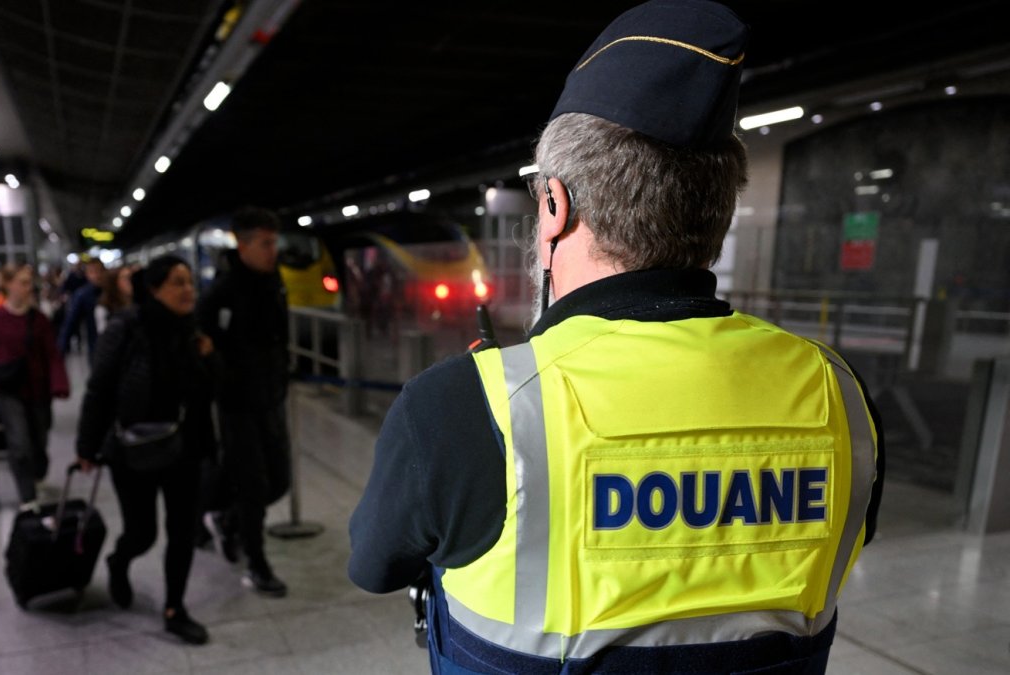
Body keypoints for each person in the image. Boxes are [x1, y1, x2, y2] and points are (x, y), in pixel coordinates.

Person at [347, 2, 885, 673]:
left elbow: (373, 563)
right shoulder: (837, 393)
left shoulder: (464, 407)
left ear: (555, 206)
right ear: (718, 212)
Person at [75, 256, 216, 645]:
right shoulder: (126, 328)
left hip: (184, 447)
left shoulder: (193, 332)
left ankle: (175, 608)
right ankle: (119, 562)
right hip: (131, 450)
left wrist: (208, 358)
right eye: (176, 282)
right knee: (142, 533)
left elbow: (208, 393)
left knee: (182, 532)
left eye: (189, 281)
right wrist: (87, 445)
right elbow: (100, 388)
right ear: (154, 290)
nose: (188, 289)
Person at [195, 206, 290, 598]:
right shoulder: (223, 290)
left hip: (270, 397)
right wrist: (221, 371)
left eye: (274, 242)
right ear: (243, 244)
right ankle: (256, 563)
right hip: (236, 403)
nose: (273, 251)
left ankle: (225, 515)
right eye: (266, 244)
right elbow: (202, 338)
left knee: (278, 481)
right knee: (253, 486)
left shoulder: (274, 280)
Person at [0, 263, 69, 507]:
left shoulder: (39, 320)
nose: (29, 287)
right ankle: (28, 496)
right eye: (23, 282)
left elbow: (52, 354)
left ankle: (38, 474)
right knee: (19, 443)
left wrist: (59, 383)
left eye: (29, 282)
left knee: (40, 439)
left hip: (39, 389)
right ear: (8, 285)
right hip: (9, 390)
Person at [57, 258, 105, 362]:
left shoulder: (112, 291)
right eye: (92, 272)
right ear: (87, 274)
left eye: (99, 271)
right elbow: (70, 322)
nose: (97, 276)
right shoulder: (83, 295)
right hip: (96, 348)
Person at [95, 264, 139, 334]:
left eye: (131, 277)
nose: (131, 282)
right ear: (114, 283)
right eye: (126, 278)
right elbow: (105, 337)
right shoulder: (104, 308)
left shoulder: (137, 302)